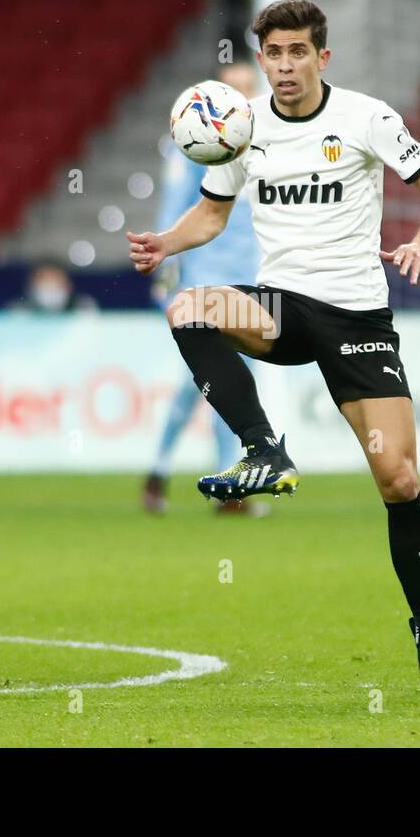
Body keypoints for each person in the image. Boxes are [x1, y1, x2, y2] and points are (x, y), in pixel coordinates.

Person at [125, 0, 420, 689]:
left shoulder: (366, 118)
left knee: (400, 481)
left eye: (298, 53)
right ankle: (265, 450)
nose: (285, 66)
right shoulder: (243, 128)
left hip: (357, 323)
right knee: (189, 307)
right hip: (284, 308)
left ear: (322, 58)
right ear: (262, 60)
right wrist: (163, 243)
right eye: (274, 54)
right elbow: (211, 211)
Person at [143, 64, 266, 517]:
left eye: (250, 90)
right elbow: (171, 216)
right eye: (236, 90)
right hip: (201, 281)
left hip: (252, 285)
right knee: (209, 382)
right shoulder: (193, 150)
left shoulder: (267, 150)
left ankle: (165, 471)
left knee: (222, 382)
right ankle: (220, 485)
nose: (244, 98)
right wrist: (165, 275)